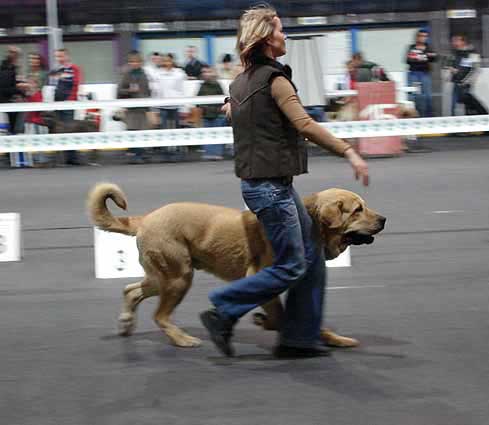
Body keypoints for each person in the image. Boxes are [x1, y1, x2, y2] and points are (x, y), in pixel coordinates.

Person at [199, 5, 369, 358]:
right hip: (270, 189)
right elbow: (304, 124)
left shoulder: (239, 83)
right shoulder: (274, 80)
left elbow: (233, 109)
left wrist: (233, 106)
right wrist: (348, 151)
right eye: (279, 29)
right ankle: (223, 308)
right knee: (292, 264)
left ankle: (299, 338)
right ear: (265, 38)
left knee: (312, 257)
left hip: (268, 185)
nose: (284, 35)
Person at [117, 50, 152, 164]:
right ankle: (135, 155)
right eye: (132, 61)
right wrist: (129, 90)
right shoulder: (127, 74)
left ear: (141, 62)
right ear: (129, 63)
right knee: (132, 131)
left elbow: (148, 91)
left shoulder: (144, 74)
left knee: (143, 131)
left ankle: (142, 154)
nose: (134, 63)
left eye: (137, 61)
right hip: (131, 108)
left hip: (142, 107)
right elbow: (119, 91)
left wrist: (148, 107)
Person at [51, 48, 83, 165]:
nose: (59, 59)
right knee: (59, 130)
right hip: (57, 103)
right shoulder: (57, 69)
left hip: (68, 104)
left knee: (69, 129)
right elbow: (53, 85)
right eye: (57, 57)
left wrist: (70, 101)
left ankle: (72, 157)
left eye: (61, 56)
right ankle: (62, 158)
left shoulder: (74, 68)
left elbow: (76, 85)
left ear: (67, 56)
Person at [448, 34, 487, 116]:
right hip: (456, 82)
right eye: (453, 41)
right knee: (453, 105)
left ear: (463, 42)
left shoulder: (472, 53)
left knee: (468, 105)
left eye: (456, 41)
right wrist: (451, 70)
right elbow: (451, 64)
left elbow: (476, 70)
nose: (454, 43)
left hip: (466, 84)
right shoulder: (455, 53)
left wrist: (467, 81)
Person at [22, 53, 50, 167]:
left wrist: (29, 85)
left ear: (39, 61)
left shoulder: (43, 74)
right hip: (29, 102)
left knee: (40, 132)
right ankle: (33, 159)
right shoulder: (29, 73)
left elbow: (39, 86)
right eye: (30, 59)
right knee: (30, 132)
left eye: (34, 59)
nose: (32, 61)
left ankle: (42, 159)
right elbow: (28, 88)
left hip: (38, 101)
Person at [197, 64, 226, 160]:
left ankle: (217, 154)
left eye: (208, 72)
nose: (206, 74)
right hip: (206, 115)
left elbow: (223, 99)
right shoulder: (202, 86)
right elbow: (197, 100)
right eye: (204, 72)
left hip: (217, 114)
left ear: (213, 73)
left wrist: (218, 110)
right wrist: (202, 107)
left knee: (218, 134)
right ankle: (208, 154)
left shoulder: (217, 85)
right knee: (207, 134)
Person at [406, 29, 437, 117]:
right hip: (414, 75)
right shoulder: (411, 47)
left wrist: (418, 57)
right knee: (414, 96)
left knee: (427, 96)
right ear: (417, 37)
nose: (423, 38)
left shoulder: (429, 47)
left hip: (425, 75)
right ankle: (414, 116)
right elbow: (408, 60)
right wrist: (424, 57)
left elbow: (434, 58)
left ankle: (429, 117)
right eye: (421, 36)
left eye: (425, 36)